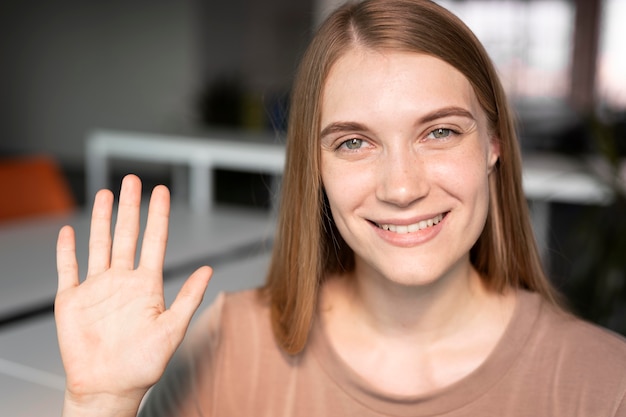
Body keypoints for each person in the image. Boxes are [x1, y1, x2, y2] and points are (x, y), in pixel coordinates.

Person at [54, 0, 626, 416]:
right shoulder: (227, 345)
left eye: (440, 132)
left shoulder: (605, 385)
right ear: (316, 168)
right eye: (353, 142)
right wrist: (102, 403)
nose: (401, 187)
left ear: (493, 145)